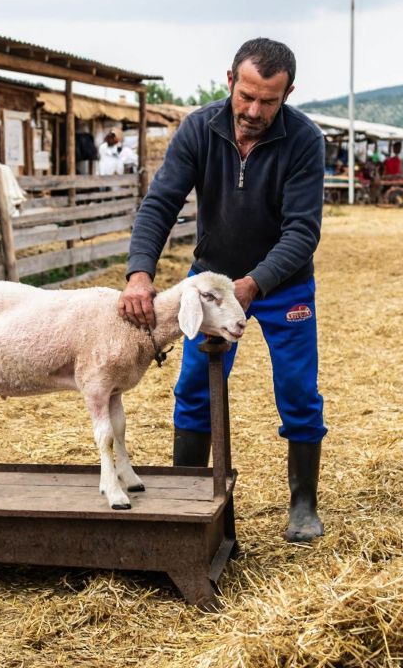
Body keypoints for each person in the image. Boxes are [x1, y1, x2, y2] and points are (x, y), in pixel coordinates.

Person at [118, 37, 326, 543]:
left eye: (269, 101)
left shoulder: (304, 140)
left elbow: (302, 230)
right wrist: (139, 273)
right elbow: (161, 202)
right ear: (230, 80)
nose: (254, 111)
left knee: (297, 390)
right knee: (194, 387)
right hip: (211, 283)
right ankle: (189, 498)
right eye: (246, 96)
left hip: (280, 285)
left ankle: (303, 503)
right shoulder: (199, 128)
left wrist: (255, 283)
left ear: (288, 94)